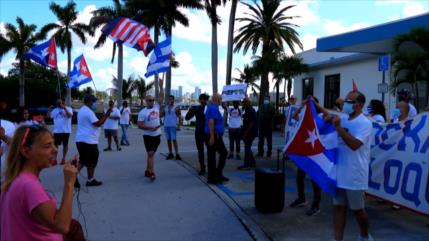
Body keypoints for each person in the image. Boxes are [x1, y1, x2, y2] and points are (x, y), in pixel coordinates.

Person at [0, 125, 78, 241]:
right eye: (47, 146)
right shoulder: (29, 185)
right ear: (26, 152)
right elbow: (62, 226)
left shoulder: (15, 179)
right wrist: (69, 183)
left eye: (53, 144)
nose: (55, 149)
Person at [316, 91, 373, 241]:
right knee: (338, 208)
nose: (346, 104)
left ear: (359, 105)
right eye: (346, 101)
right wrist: (316, 107)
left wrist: (339, 128)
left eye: (349, 101)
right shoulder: (344, 118)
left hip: (354, 175)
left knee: (358, 211)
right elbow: (328, 114)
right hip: (339, 173)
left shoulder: (365, 123)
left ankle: (365, 236)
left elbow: (354, 145)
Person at [289, 96, 322, 216]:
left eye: (311, 105)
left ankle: (316, 205)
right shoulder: (305, 117)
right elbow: (294, 116)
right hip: (305, 153)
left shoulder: (321, 117)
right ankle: (302, 199)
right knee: (299, 177)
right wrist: (303, 105)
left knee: (315, 180)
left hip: (316, 154)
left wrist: (315, 105)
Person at [75, 94, 112, 188]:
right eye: (94, 101)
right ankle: (73, 177)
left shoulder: (83, 110)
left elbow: (95, 121)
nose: (94, 103)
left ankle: (90, 180)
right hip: (88, 141)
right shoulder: (88, 111)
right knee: (85, 161)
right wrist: (107, 114)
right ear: (89, 101)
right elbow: (98, 123)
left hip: (84, 140)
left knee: (88, 161)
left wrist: (104, 115)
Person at [137, 79, 164, 181]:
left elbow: (161, 97)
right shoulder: (142, 112)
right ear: (146, 101)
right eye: (149, 100)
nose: (152, 102)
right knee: (151, 154)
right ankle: (151, 172)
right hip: (148, 136)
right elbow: (139, 125)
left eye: (153, 100)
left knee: (151, 155)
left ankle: (147, 170)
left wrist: (161, 86)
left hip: (157, 135)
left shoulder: (156, 107)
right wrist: (149, 128)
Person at [205, 93, 228, 184]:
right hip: (214, 135)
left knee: (213, 155)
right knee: (221, 154)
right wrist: (212, 137)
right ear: (216, 99)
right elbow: (211, 122)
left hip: (215, 135)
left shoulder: (212, 107)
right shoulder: (214, 108)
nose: (221, 101)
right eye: (220, 99)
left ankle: (217, 174)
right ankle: (214, 176)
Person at [185, 93, 209, 175]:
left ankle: (204, 168)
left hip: (205, 132)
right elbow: (187, 118)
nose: (204, 101)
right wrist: (190, 110)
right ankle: (203, 168)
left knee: (206, 151)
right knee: (201, 151)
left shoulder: (208, 108)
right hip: (201, 132)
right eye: (203, 99)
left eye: (205, 99)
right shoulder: (197, 108)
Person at [47, 99, 73, 165]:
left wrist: (64, 108)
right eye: (59, 102)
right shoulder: (55, 110)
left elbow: (69, 115)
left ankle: (63, 158)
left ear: (64, 103)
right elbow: (48, 117)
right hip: (57, 131)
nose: (60, 104)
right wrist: (49, 110)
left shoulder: (69, 109)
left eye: (62, 102)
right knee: (55, 146)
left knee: (65, 145)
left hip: (66, 131)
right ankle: (55, 159)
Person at [237, 97, 257, 170]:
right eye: (243, 102)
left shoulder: (251, 111)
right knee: (247, 147)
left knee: (247, 148)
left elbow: (251, 123)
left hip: (250, 133)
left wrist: (245, 132)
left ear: (249, 102)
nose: (244, 103)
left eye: (245, 102)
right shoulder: (246, 110)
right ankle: (252, 162)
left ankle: (247, 164)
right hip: (248, 132)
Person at [163, 95, 182, 160]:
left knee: (174, 140)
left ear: (173, 100)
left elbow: (180, 117)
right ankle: (170, 153)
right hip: (166, 125)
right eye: (169, 99)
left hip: (173, 126)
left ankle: (177, 154)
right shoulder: (165, 107)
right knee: (168, 140)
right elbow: (163, 115)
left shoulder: (176, 107)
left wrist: (179, 126)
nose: (170, 100)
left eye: (171, 99)